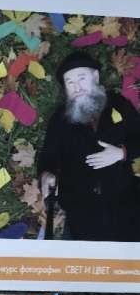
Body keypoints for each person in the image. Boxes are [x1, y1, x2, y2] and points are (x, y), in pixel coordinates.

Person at [37, 51, 140, 241]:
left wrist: (121, 153)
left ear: (95, 77)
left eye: (81, 78)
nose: (77, 87)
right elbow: (47, 157)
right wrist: (46, 175)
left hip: (127, 204)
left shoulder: (119, 104)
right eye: (70, 82)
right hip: (81, 211)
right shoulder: (60, 118)